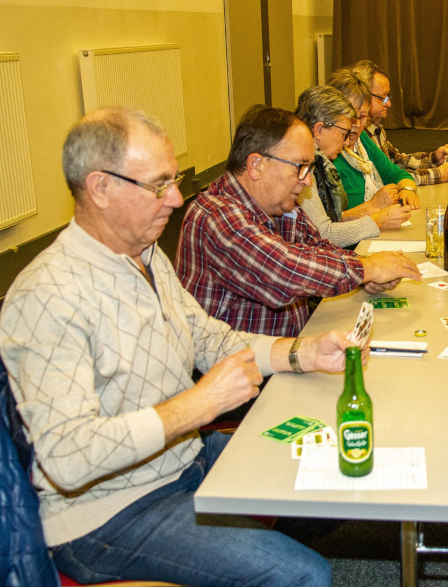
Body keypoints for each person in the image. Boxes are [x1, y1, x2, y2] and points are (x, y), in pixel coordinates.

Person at [0, 106, 366, 587]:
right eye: (158, 185)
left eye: (173, 180)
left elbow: (206, 337)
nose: (176, 199)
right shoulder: (47, 296)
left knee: (340, 464)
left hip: (181, 459)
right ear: (100, 188)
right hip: (107, 515)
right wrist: (199, 404)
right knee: (303, 574)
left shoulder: (144, 253)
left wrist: (303, 353)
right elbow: (68, 458)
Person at [176, 105, 420, 337]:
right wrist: (368, 268)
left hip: (289, 346)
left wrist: (367, 272)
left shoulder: (280, 205)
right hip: (242, 362)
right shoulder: (216, 216)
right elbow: (282, 270)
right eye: (300, 168)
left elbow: (319, 248)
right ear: (256, 165)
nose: (307, 181)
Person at [294, 84, 412, 248]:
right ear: (319, 129)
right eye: (343, 134)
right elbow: (323, 234)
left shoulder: (319, 161)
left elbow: (328, 221)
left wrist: (364, 212)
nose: (345, 143)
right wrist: (379, 220)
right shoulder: (302, 167)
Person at [327, 67, 423, 211]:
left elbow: (398, 174)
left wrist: (407, 190)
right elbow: (328, 221)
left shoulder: (361, 140)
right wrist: (373, 206)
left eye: (362, 117)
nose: (357, 124)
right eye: (350, 116)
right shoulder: (329, 154)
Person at [351, 59, 448, 185]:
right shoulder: (357, 135)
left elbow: (398, 161)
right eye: (383, 98)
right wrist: (438, 174)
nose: (389, 104)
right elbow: (385, 179)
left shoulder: (376, 129)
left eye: (388, 97)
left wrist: (435, 158)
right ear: (363, 96)